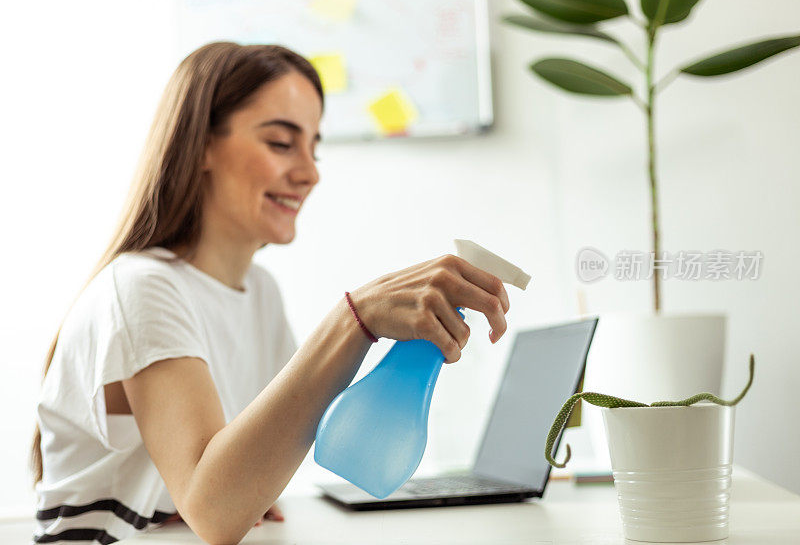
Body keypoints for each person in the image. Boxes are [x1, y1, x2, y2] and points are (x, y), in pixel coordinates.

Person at [30, 41, 510, 545]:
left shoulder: (259, 294)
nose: (310, 171)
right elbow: (213, 512)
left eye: (314, 147)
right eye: (282, 143)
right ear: (201, 146)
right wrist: (355, 320)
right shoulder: (141, 287)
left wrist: (239, 490)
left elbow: (232, 485)